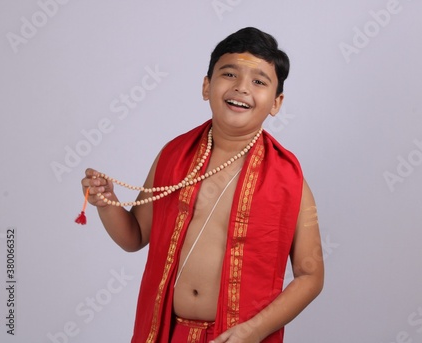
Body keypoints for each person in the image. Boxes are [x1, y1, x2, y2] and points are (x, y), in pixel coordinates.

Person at [81, 27, 324, 343]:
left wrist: (255, 330)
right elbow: (135, 237)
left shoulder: (288, 180)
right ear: (207, 85)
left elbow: (311, 276)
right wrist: (107, 203)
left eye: (259, 82)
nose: (241, 88)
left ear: (276, 103)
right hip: (168, 332)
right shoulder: (173, 157)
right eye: (229, 74)